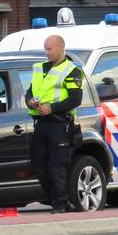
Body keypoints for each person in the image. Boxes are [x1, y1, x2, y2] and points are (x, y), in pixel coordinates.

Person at [25, 35, 84, 213]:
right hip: (40, 123)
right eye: (45, 48)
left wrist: (52, 108)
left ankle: (60, 203)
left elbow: (76, 99)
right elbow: (30, 92)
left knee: (58, 166)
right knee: (38, 164)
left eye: (50, 48)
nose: (46, 52)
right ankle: (58, 199)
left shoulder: (71, 70)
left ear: (61, 47)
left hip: (59, 123)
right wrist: (30, 102)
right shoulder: (39, 68)